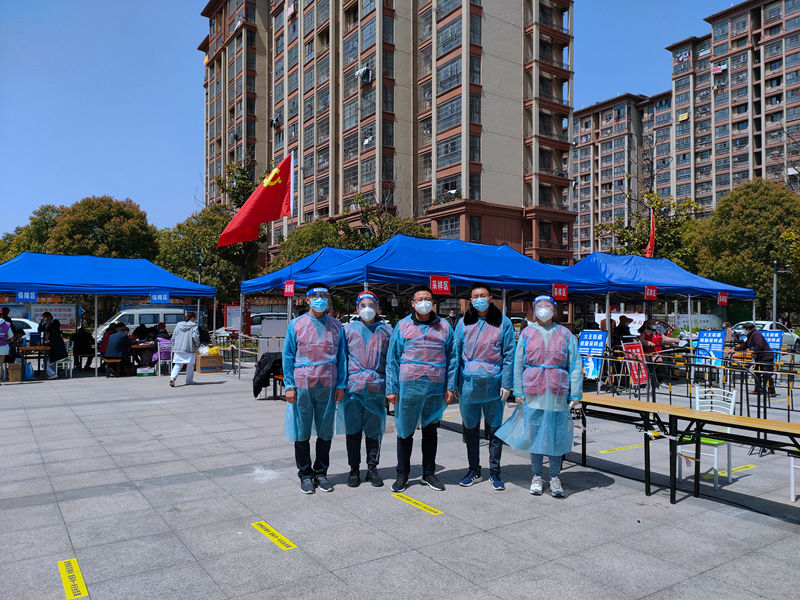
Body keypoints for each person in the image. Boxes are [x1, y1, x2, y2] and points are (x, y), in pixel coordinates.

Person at [496, 295, 583, 498]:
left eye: (548, 306)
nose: (544, 309)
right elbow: (518, 363)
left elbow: (575, 364)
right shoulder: (527, 332)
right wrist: (518, 391)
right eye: (540, 306)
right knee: (534, 434)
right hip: (533, 391)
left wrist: (575, 393)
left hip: (557, 391)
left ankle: (554, 476)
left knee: (555, 435)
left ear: (555, 309)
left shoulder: (565, 333)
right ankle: (536, 475)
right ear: (534, 310)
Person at [386, 286, 457, 493]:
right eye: (420, 299)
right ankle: (402, 474)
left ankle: (429, 473)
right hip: (408, 388)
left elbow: (453, 358)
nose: (424, 303)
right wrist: (391, 388)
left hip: (435, 388)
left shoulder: (444, 326)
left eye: (428, 299)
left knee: (430, 432)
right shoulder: (403, 325)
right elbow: (393, 359)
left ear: (433, 303)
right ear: (413, 303)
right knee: (405, 432)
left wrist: (450, 386)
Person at [283, 283, 347, 494]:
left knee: (325, 430)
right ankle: (305, 474)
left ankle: (321, 472)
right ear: (308, 299)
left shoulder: (336, 326)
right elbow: (288, 355)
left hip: (328, 384)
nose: (320, 300)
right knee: (302, 430)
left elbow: (342, 358)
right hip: (302, 384)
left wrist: (341, 384)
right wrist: (289, 385)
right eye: (316, 296)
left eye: (324, 296)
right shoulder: (296, 325)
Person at [454, 283, 515, 491]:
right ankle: (473, 470)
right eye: (475, 296)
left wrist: (507, 383)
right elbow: (455, 354)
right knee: (471, 430)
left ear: (490, 298)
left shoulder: (503, 322)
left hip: (494, 384)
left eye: (483, 295)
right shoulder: (463, 322)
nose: (479, 299)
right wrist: (453, 384)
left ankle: (495, 472)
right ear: (471, 300)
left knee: (495, 430)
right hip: (468, 384)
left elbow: (509, 355)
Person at [338, 291, 393, 487]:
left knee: (374, 431)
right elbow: (341, 360)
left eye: (371, 305)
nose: (367, 309)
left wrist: (392, 386)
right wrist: (340, 385)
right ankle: (354, 470)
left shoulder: (387, 331)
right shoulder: (347, 330)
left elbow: (392, 361)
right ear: (357, 309)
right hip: (353, 388)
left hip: (377, 387)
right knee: (353, 431)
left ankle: (372, 469)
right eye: (363, 305)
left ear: (378, 308)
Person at [735, 322, 776, 397]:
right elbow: (745, 345)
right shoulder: (751, 335)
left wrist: (754, 352)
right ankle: (758, 389)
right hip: (760, 357)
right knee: (756, 373)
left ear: (748, 329)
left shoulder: (756, 334)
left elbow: (759, 345)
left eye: (744, 329)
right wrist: (734, 349)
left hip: (766, 357)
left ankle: (772, 392)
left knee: (767, 375)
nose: (744, 331)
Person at [639, 320, 680, 387]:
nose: (656, 326)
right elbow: (641, 340)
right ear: (649, 325)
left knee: (660, 368)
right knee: (650, 369)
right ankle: (650, 383)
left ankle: (660, 382)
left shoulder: (658, 332)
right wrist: (648, 343)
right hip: (649, 354)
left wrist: (674, 340)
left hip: (658, 353)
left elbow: (665, 339)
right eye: (654, 324)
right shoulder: (645, 332)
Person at [170, 312, 200, 387]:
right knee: (190, 365)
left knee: (178, 364)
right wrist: (197, 345)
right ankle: (189, 380)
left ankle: (172, 378)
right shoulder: (194, 326)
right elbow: (195, 337)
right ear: (192, 318)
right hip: (189, 348)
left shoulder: (178, 325)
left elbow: (173, 336)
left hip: (178, 348)